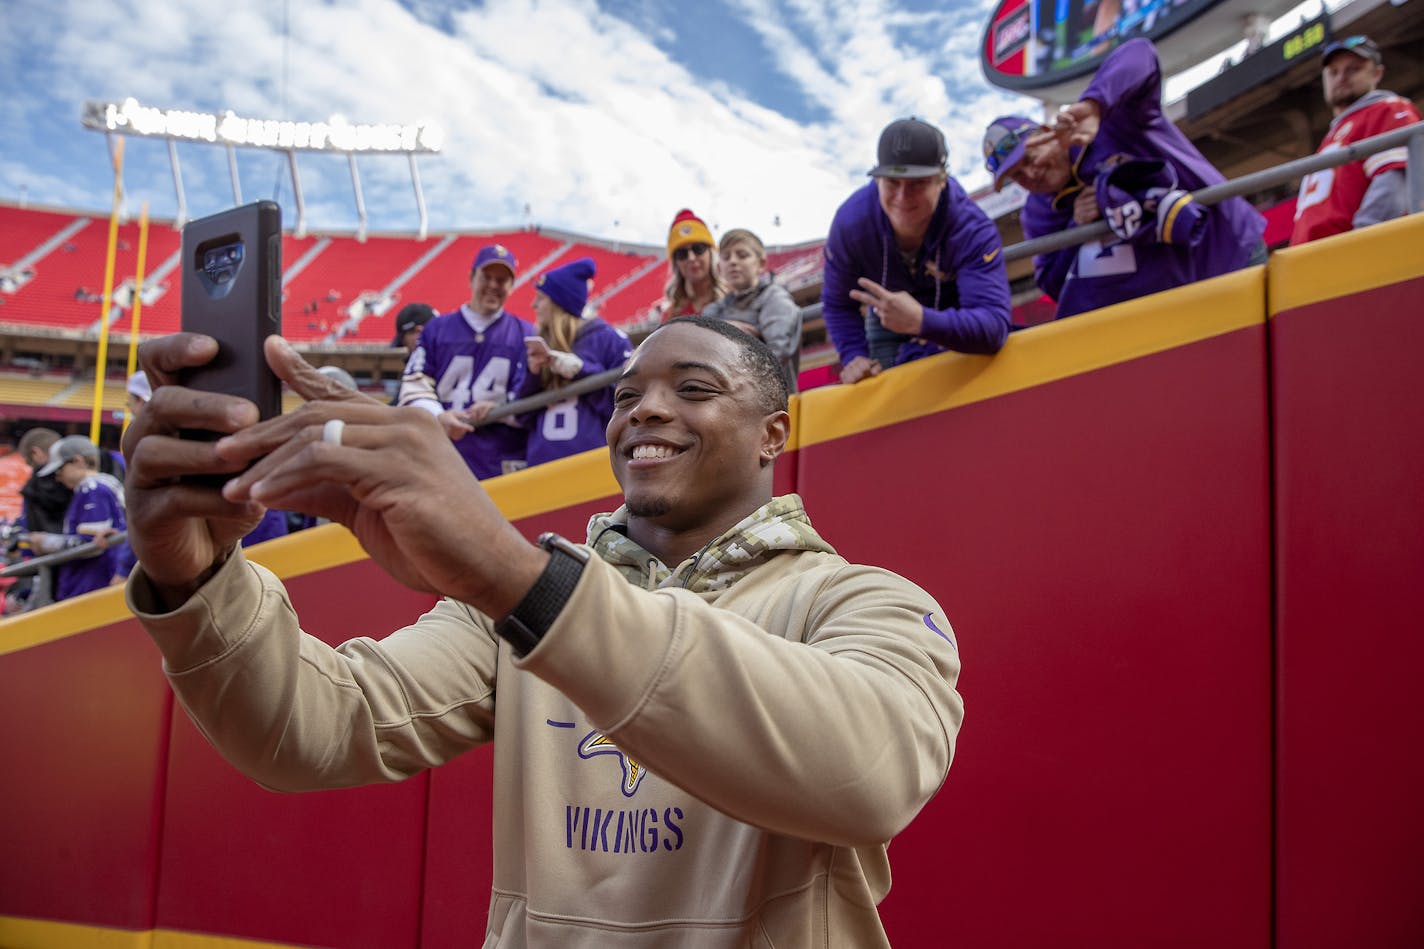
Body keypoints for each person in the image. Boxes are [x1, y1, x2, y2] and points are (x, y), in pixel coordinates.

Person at [121, 316, 962, 947]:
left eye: (694, 389)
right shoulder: (518, 609)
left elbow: (868, 775)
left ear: (774, 433)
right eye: (626, 394)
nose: (645, 411)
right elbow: (312, 728)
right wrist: (194, 576)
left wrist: (517, 578)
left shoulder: (862, 600)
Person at [983, 38, 1266, 321]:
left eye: (1030, 159)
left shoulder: (1114, 121)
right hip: (1169, 307)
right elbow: (1052, 283)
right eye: (1016, 175)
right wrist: (1076, 227)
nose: (1030, 175)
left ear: (1047, 133)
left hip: (1229, 256)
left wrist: (1095, 105)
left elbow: (1141, 52)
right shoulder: (1037, 212)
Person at [822, 117, 1011, 384]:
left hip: (954, 311)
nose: (902, 197)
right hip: (887, 319)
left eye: (917, 183)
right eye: (892, 182)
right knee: (885, 399)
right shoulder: (850, 223)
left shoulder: (971, 227)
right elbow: (837, 303)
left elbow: (993, 325)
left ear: (941, 181)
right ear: (877, 181)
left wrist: (923, 320)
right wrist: (854, 355)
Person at [398, 245, 532, 479]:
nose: (493, 285)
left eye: (501, 280)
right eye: (487, 277)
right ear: (472, 277)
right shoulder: (437, 330)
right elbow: (414, 386)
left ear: (511, 286)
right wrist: (438, 415)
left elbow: (532, 395)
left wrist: (501, 407)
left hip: (499, 456)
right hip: (442, 452)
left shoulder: (525, 334)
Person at [1290, 35, 1422, 246]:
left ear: (1377, 73)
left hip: (1349, 255)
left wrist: (1362, 244)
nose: (1341, 77)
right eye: (1333, 72)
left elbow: (1394, 184)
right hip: (1309, 260)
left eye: (1353, 69)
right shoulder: (1334, 133)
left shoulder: (1387, 109)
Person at [510, 257, 634, 467]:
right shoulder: (538, 344)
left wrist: (580, 370)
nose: (534, 304)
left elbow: (628, 407)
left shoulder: (608, 339)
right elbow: (521, 416)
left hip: (593, 465)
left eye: (540, 298)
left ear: (559, 303)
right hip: (541, 467)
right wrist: (533, 375)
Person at [26, 435, 126, 601]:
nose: (57, 477)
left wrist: (44, 541)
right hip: (96, 581)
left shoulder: (93, 489)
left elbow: (92, 544)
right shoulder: (108, 484)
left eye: (59, 469)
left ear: (78, 461)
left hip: (91, 585)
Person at [704, 228, 802, 392]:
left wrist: (723, 335)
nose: (733, 262)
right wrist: (729, 330)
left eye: (742, 255)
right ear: (719, 267)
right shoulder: (713, 310)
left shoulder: (775, 297)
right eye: (726, 257)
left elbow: (777, 353)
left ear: (761, 263)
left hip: (770, 400)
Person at [661, 208, 725, 318]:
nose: (691, 258)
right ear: (676, 263)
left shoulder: (734, 298)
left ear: (711, 253)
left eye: (698, 249)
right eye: (682, 254)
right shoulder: (670, 314)